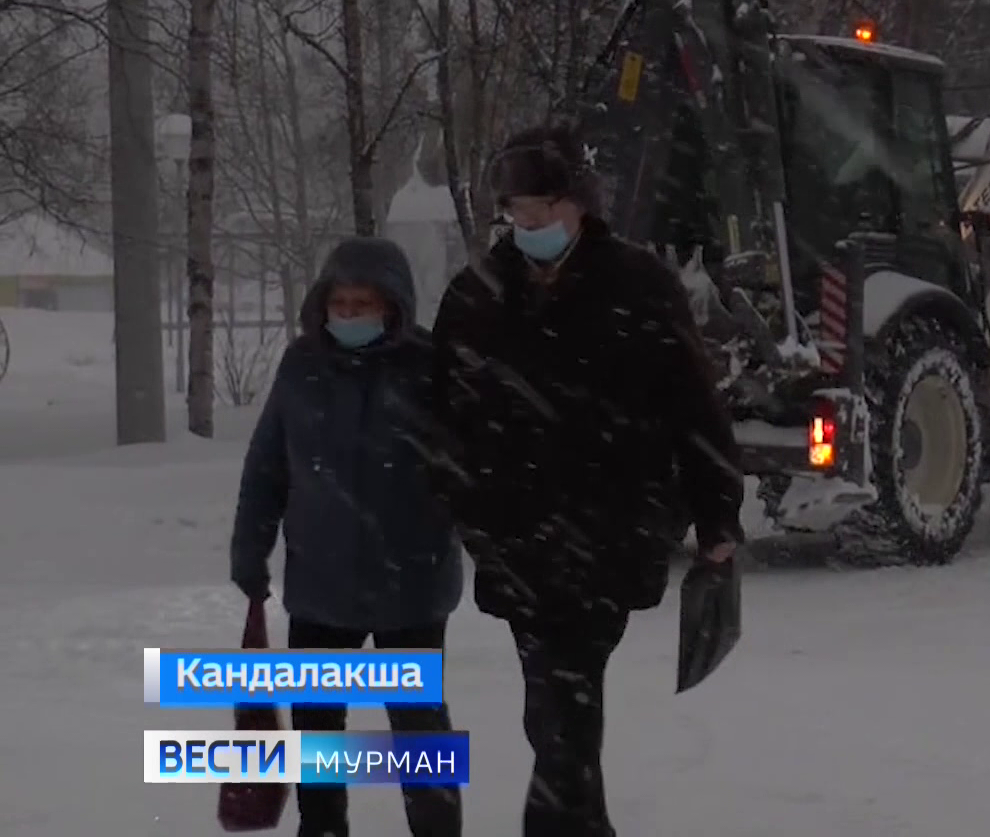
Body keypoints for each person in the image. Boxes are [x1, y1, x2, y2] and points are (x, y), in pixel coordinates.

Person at [429, 122, 745, 837]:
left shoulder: (637, 286)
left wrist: (716, 517)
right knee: (560, 709)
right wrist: (461, 504)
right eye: (517, 210)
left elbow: (692, 405)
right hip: (513, 537)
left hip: (609, 533)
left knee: (561, 705)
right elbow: (443, 414)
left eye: (542, 206)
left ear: (579, 203)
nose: (529, 222)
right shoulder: (478, 295)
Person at [229, 236, 464, 837]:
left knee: (419, 731)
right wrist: (249, 550)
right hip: (321, 582)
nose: (351, 314)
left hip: (410, 582)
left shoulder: (430, 368)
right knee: (317, 730)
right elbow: (267, 466)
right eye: (342, 301)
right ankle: (323, 828)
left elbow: (471, 469)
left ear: (393, 305)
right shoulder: (301, 366)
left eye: (365, 302)